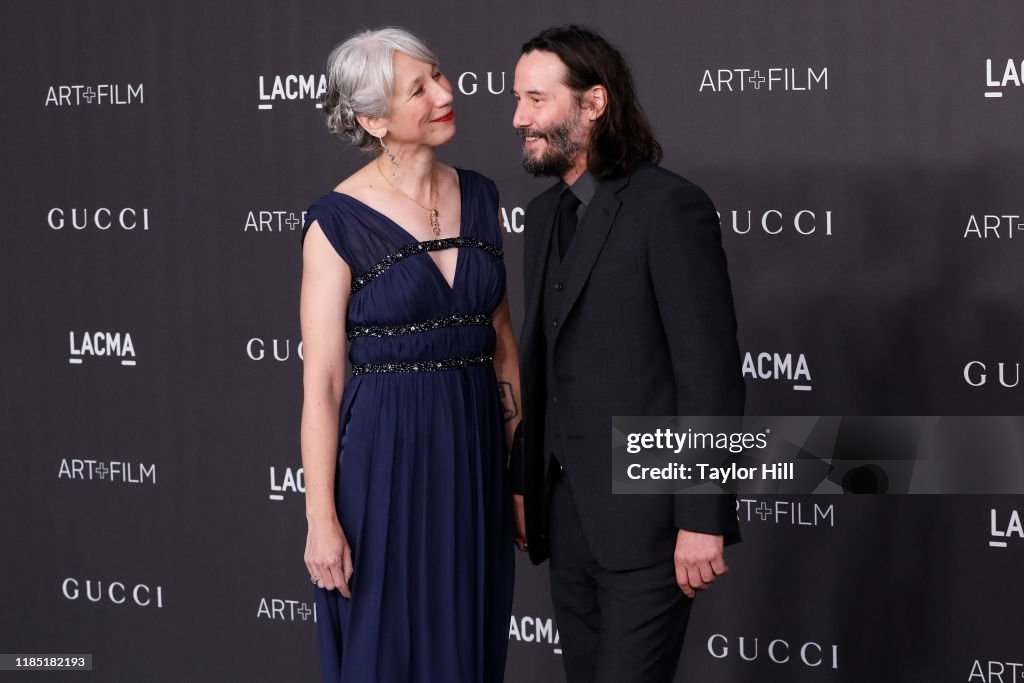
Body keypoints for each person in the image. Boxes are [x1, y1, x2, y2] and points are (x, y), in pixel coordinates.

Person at [509, 25, 745, 683]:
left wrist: (702, 515)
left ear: (594, 104)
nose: (518, 118)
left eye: (536, 99)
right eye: (518, 99)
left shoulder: (668, 207)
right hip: (567, 518)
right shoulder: (540, 216)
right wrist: (526, 482)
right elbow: (548, 363)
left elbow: (709, 370)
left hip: (650, 520)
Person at [299, 27, 517, 683]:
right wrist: (321, 520)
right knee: (386, 646)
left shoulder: (481, 196)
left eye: (439, 77)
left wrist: (519, 474)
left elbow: (502, 346)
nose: (445, 94)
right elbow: (324, 385)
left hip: (474, 453)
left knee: (467, 639)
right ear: (373, 119)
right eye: (417, 89)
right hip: (382, 460)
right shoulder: (335, 221)